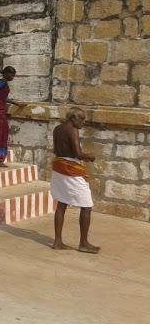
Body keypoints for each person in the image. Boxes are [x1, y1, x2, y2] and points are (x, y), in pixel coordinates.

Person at [51, 107, 100, 253]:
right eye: (81, 119)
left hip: (59, 167)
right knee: (86, 206)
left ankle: (57, 241)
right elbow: (78, 154)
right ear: (73, 118)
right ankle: (83, 243)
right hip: (71, 170)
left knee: (61, 203)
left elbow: (56, 149)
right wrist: (89, 156)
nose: (83, 122)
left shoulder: (57, 128)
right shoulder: (72, 130)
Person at [0, 66, 24, 166]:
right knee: (0, 132)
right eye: (11, 74)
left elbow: (2, 98)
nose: (12, 77)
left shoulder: (3, 83)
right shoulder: (1, 82)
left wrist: (17, 104)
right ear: (6, 73)